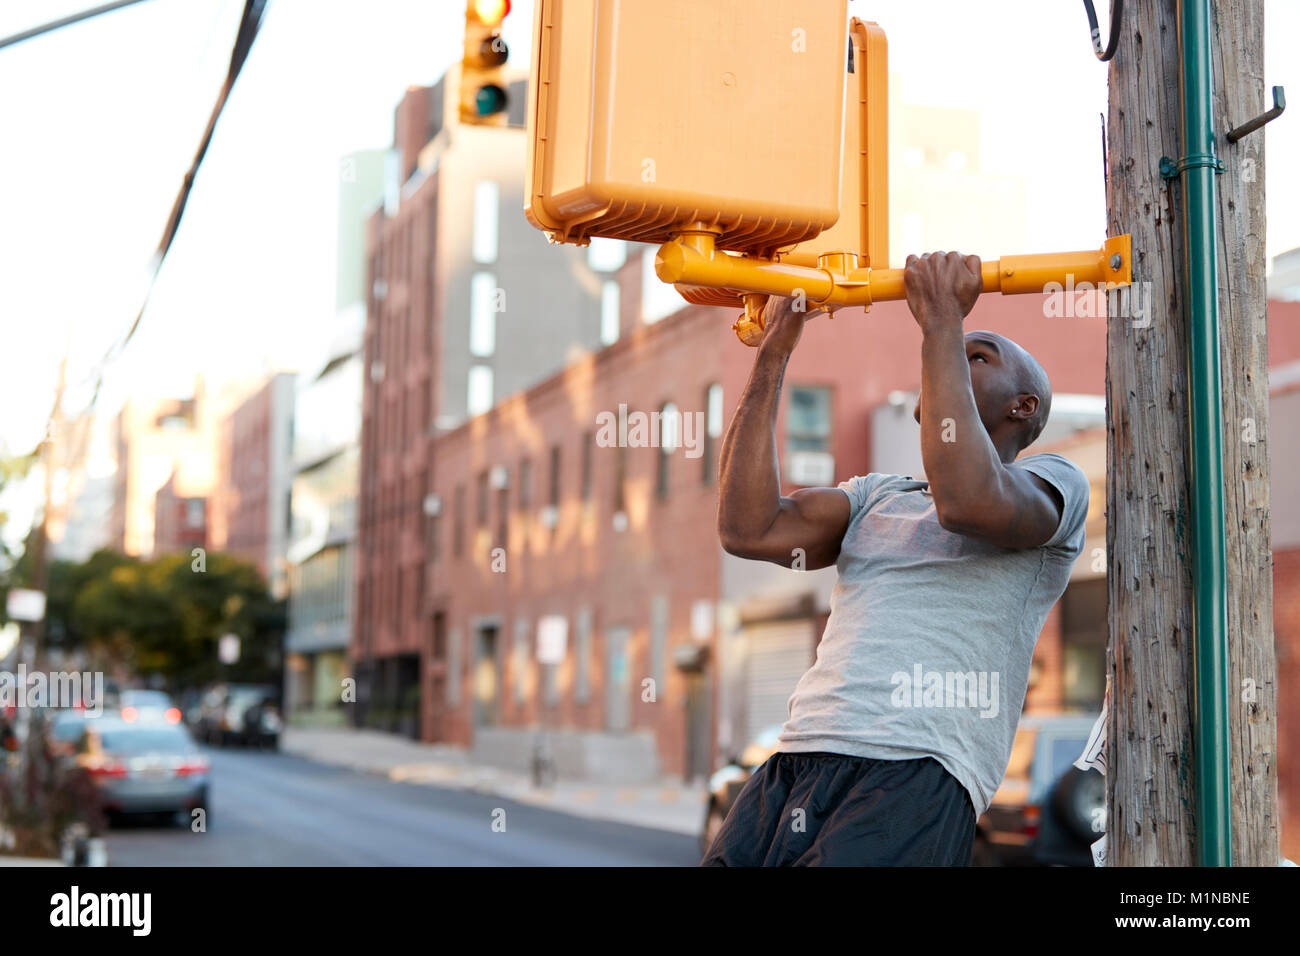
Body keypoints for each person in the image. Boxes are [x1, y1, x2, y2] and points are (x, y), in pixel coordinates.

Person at [702, 251, 1090, 866]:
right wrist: (773, 351)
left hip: (916, 768)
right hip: (797, 758)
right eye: (952, 354)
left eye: (976, 355)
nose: (954, 354)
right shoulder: (875, 496)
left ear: (1025, 407)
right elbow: (749, 529)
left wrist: (942, 323)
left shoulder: (1055, 485)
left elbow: (967, 500)